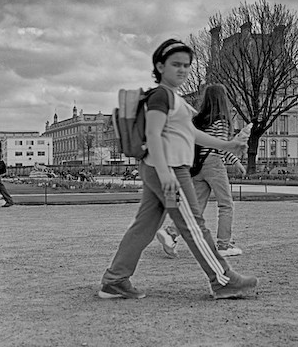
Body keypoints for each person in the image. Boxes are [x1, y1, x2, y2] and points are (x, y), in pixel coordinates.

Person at [98, 39, 257, 300]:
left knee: (145, 226)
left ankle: (115, 279)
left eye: (186, 65)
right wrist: (165, 174)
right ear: (160, 66)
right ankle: (223, 280)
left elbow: (192, 133)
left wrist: (228, 144)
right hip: (169, 170)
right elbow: (153, 132)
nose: (182, 70)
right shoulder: (162, 95)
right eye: (176, 65)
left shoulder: (173, 99)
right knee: (194, 225)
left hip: (161, 169)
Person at [155, 84, 247, 258]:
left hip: (197, 166)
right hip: (213, 164)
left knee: (194, 207)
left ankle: (171, 233)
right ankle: (223, 244)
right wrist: (236, 161)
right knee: (226, 204)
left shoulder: (199, 121)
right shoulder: (221, 120)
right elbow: (220, 146)